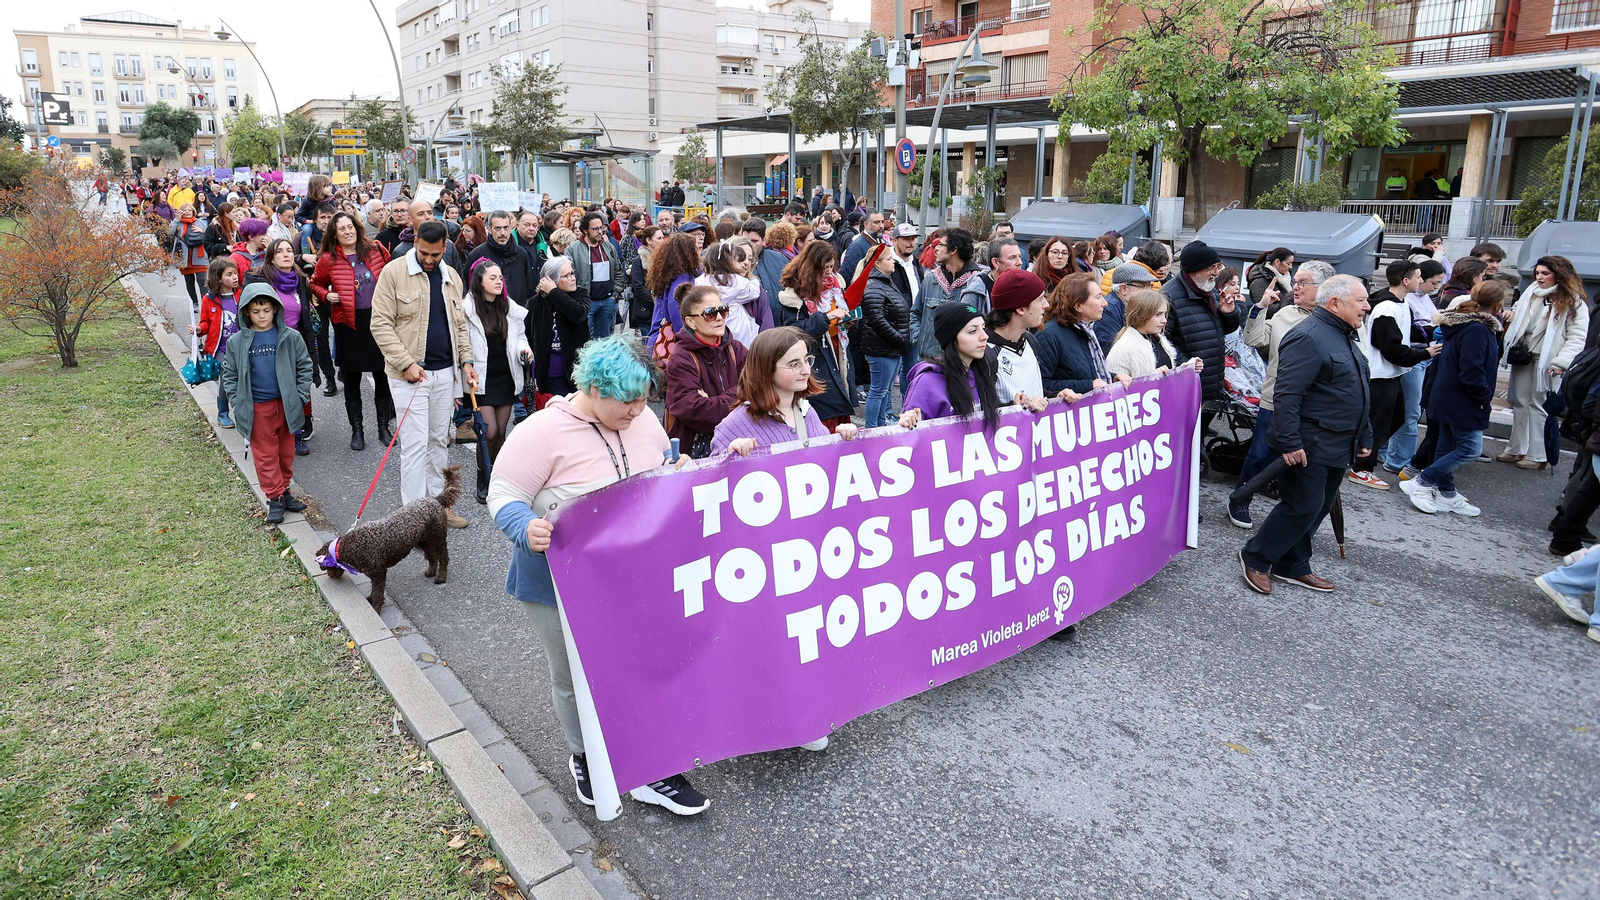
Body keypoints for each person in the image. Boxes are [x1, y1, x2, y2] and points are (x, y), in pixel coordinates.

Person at [486, 333, 711, 816]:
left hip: (633, 577)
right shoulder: (541, 432)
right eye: (627, 403)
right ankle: (586, 755)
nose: (637, 412)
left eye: (642, 401)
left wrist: (678, 470)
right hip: (554, 582)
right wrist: (525, 527)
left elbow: (657, 472)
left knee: (643, 664)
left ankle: (651, 765)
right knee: (572, 675)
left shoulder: (642, 419)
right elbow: (501, 495)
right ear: (595, 389)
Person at [1239, 275, 1373, 596]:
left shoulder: (1343, 334)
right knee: (1302, 506)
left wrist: (1364, 435)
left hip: (1338, 443)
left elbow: (1356, 388)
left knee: (1319, 506)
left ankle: (1292, 565)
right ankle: (1256, 557)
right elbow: (1287, 394)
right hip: (1309, 443)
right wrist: (1289, 442)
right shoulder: (1310, 336)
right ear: (1335, 303)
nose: (1367, 306)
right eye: (1361, 300)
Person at [369, 220, 476, 525]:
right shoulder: (393, 272)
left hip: (444, 374)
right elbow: (380, 324)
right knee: (414, 445)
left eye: (436, 254)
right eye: (424, 253)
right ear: (415, 241)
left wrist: (466, 361)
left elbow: (459, 325)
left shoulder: (452, 276)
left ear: (445, 247)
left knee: (439, 441)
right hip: (409, 376)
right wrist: (406, 363)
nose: (429, 260)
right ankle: (414, 518)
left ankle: (440, 508)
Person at [1231, 259, 1333, 527]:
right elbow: (1253, 340)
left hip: (1317, 406)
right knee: (1260, 455)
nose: (1295, 287)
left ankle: (1293, 513)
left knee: (1305, 463)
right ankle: (1240, 499)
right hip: (1276, 399)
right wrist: (1261, 308)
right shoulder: (1285, 314)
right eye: (1295, 281)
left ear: (1323, 288)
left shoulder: (1337, 318)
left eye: (1302, 283)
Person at [1397, 281, 1505, 516]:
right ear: (1498, 304)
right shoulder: (1477, 329)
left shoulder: (1464, 325)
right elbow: (1472, 369)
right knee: (1470, 449)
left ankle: (1447, 494)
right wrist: (1483, 396)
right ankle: (1422, 482)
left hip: (1447, 394)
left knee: (1445, 447)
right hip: (1462, 398)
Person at [220, 283, 314, 525]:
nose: (261, 316)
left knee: (285, 452)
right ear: (246, 313)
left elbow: (304, 366)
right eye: (255, 311)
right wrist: (236, 398)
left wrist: (301, 395)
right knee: (265, 456)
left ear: (275, 309)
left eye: (266, 310)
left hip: (287, 405)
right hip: (257, 408)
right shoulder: (237, 342)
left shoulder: (291, 337)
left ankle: (284, 491)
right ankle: (275, 497)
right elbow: (229, 374)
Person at [1350, 265, 1442, 489]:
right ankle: (1360, 468)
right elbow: (1388, 347)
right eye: (1418, 277)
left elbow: (1402, 337)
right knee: (1377, 424)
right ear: (1405, 281)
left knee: (1395, 419)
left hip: (1391, 374)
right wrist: (1422, 354)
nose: (1421, 280)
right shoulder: (1387, 307)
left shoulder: (1399, 303)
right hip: (1380, 376)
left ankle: (1360, 459)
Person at [311, 211, 394, 451]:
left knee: (382, 375)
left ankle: (383, 427)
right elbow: (315, 283)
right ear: (334, 234)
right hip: (347, 323)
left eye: (351, 227)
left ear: (357, 228)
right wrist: (327, 295)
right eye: (342, 229)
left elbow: (390, 277)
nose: (348, 232)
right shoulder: (328, 259)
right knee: (352, 379)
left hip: (378, 321)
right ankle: (357, 430)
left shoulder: (376, 249)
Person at [1497, 256, 1590, 470]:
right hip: (1524, 354)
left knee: (1539, 406)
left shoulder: (1572, 300)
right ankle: (1516, 448)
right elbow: (1520, 314)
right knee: (1519, 402)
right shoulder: (1531, 292)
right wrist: (1511, 315)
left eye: (1545, 273)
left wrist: (1561, 362)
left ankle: (1538, 454)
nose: (1539, 277)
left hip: (1549, 360)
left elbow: (1577, 336)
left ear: (1559, 274)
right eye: (1537, 273)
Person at [714, 326, 861, 457]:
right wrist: (728, 455)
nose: (806, 370)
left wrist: (841, 440)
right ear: (767, 370)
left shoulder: (807, 411)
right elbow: (709, 477)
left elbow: (824, 464)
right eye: (794, 364)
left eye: (807, 360)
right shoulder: (734, 424)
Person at [462, 260, 533, 503]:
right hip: (480, 379)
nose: (498, 281)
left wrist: (525, 350)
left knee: (501, 432)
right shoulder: (467, 309)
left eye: (500, 277)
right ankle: (483, 475)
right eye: (492, 277)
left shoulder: (507, 306)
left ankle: (497, 478)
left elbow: (519, 337)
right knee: (488, 432)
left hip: (506, 375)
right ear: (479, 281)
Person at [248, 238, 323, 453]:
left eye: (289, 250)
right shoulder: (260, 281)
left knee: (297, 388)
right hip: (268, 343)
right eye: (280, 251)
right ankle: (274, 433)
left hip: (296, 344)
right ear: (271, 257)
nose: (286, 254)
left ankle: (297, 434)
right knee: (275, 390)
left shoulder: (299, 280)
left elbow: (305, 315)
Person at [777, 241, 856, 427]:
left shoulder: (835, 286)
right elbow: (794, 332)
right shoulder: (794, 295)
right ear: (812, 268)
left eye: (831, 266)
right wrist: (826, 318)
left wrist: (848, 323)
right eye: (825, 268)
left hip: (838, 354)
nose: (830, 272)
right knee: (824, 418)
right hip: (816, 362)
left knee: (841, 415)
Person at [665, 283, 747, 457]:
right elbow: (698, 413)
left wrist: (714, 401)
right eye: (710, 313)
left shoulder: (736, 349)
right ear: (691, 322)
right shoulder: (681, 359)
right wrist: (742, 394)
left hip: (741, 443)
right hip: (696, 452)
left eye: (723, 310)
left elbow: (759, 387)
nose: (719, 318)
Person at [900, 301, 1004, 431]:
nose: (985, 336)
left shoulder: (980, 373)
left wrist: (1017, 408)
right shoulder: (927, 383)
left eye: (983, 327)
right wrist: (910, 422)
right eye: (973, 331)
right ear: (952, 339)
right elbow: (911, 437)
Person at [1162, 240, 1239, 404]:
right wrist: (1188, 365)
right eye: (1211, 268)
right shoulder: (1168, 297)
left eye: (1217, 267)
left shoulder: (1210, 290)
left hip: (1211, 380)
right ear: (1193, 270)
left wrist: (1229, 313)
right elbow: (1160, 341)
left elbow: (1221, 330)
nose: (1216, 273)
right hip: (1186, 383)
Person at [1036, 272, 1132, 396]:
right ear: (1078, 306)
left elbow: (1088, 372)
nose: (1105, 303)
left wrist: (1112, 377)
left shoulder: (1086, 329)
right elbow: (1042, 385)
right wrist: (1089, 385)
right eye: (1098, 297)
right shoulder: (1049, 335)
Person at [986, 269, 1069, 410]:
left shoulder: (1030, 340)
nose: (1046, 304)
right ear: (1020, 309)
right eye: (1039, 299)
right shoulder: (985, 353)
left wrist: (1057, 395)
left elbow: (1035, 392)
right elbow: (980, 413)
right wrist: (1018, 407)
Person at [861, 242, 913, 427]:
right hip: (881, 348)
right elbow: (877, 319)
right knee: (878, 391)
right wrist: (899, 338)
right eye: (889, 259)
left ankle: (880, 425)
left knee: (885, 390)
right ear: (877, 264)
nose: (893, 262)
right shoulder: (874, 285)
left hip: (890, 348)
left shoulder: (885, 282)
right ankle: (871, 428)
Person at [530, 256, 592, 400]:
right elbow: (529, 337)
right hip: (552, 372)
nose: (573, 278)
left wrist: (554, 293)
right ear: (552, 280)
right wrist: (532, 374)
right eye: (567, 275)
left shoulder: (580, 294)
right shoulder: (536, 302)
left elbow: (578, 314)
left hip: (578, 369)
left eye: (573, 273)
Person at [913, 228, 981, 359]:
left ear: (953, 250)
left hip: (961, 362)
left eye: (941, 245)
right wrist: (919, 339)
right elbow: (915, 313)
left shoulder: (976, 283)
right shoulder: (930, 280)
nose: (935, 248)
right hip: (928, 360)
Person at [193, 255, 243, 428]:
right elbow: (206, 322)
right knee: (225, 380)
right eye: (229, 274)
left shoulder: (241, 294)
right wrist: (200, 329)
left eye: (235, 273)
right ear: (218, 278)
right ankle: (223, 413)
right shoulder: (209, 299)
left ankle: (243, 411)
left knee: (243, 379)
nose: (234, 277)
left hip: (241, 347)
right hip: (220, 349)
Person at [1105, 288, 1196, 380]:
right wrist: (1152, 378)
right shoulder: (1123, 349)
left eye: (1165, 314)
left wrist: (1186, 369)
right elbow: (1117, 390)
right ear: (1141, 315)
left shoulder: (1160, 340)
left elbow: (1168, 379)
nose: (1164, 320)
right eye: (1158, 314)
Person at [695, 238, 765, 347]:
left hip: (711, 326)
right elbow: (754, 292)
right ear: (728, 262)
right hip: (738, 330)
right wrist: (754, 280)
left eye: (749, 259)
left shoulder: (701, 280)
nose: (746, 264)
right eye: (739, 260)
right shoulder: (737, 282)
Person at [568, 212, 623, 341]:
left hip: (607, 301)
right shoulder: (573, 249)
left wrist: (615, 296)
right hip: (586, 304)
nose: (600, 231)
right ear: (585, 230)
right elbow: (567, 275)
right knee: (584, 341)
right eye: (595, 229)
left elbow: (618, 271)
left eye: (601, 227)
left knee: (605, 342)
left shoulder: (609, 247)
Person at [468, 210, 537, 308]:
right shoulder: (477, 255)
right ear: (489, 229)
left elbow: (529, 288)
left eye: (506, 228)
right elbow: (469, 288)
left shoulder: (522, 254)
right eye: (497, 228)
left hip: (518, 314)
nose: (502, 233)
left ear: (511, 228)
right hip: (488, 315)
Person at [646, 232, 704, 345]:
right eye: (696, 249)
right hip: (671, 343)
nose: (699, 252)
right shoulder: (681, 280)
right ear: (687, 253)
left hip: (659, 338)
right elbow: (678, 316)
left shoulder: (668, 276)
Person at [1097, 264, 1158, 353]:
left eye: (1150, 286)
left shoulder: (1134, 306)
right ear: (1123, 289)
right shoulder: (1107, 310)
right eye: (1143, 286)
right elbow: (1111, 348)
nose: (1149, 291)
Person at [839, 210, 886, 284]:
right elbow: (845, 277)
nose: (881, 226)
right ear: (866, 224)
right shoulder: (857, 246)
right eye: (876, 222)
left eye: (882, 222)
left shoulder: (879, 242)